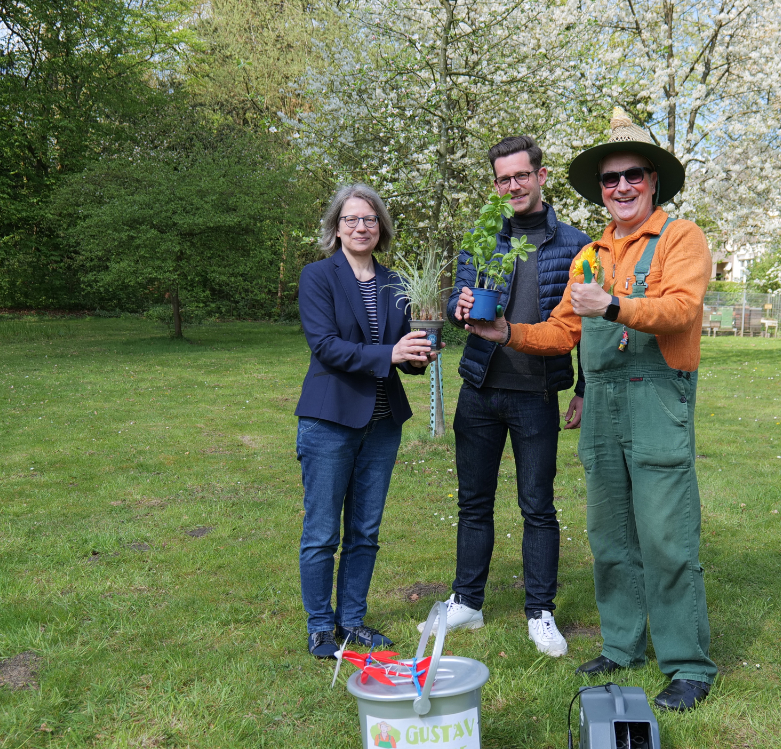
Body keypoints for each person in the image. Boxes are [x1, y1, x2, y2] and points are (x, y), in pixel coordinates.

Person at [459, 110, 715, 711]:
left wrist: (615, 305)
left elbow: (681, 309)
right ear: (600, 189)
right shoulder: (590, 256)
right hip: (601, 408)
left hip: (657, 404)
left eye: (632, 176)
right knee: (609, 535)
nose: (621, 187)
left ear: (653, 181)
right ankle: (622, 646)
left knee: (666, 537)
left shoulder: (681, 238)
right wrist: (506, 333)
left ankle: (687, 664)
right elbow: (561, 331)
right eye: (610, 179)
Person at [433, 135, 591, 658]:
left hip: (536, 394)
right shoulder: (482, 238)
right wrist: (459, 307)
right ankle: (467, 600)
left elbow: (586, 326)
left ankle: (540, 611)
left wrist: (583, 389)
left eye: (522, 175)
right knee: (473, 502)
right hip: (480, 389)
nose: (514, 186)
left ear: (541, 176)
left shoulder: (576, 245)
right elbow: (457, 302)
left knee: (537, 506)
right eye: (504, 179)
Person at [294, 184, 436, 660]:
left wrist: (417, 355)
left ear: (381, 228)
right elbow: (326, 346)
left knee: (365, 531)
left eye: (370, 219)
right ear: (336, 228)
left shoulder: (396, 283)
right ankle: (320, 626)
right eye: (351, 219)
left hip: (382, 424)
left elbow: (402, 356)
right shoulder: (318, 276)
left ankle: (351, 621)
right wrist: (390, 353)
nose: (361, 227)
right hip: (329, 421)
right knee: (322, 533)